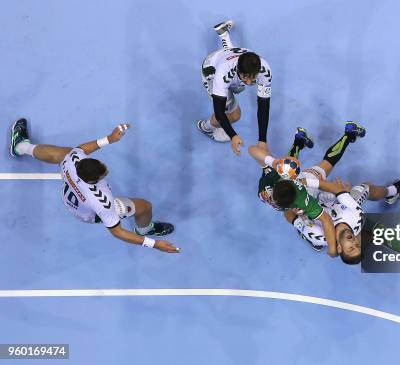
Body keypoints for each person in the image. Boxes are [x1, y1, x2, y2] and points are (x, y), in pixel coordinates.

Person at [250, 122, 400, 265]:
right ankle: (392, 191)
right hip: (329, 202)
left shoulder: (316, 233)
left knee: (297, 176)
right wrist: (340, 191)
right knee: (363, 186)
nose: (354, 243)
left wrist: (297, 207)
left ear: (340, 248)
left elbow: (290, 217)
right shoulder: (356, 217)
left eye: (350, 248)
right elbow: (333, 193)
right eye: (357, 245)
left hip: (310, 207)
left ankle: (300, 142)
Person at [9, 118, 179, 253]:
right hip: (88, 213)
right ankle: (145, 229)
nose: (106, 171)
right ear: (93, 181)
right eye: (103, 174)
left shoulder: (73, 161)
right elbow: (118, 232)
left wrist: (110, 139)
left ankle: (21, 146)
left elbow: (80, 149)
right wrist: (154, 244)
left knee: (64, 152)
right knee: (144, 206)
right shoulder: (103, 202)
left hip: (71, 192)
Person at [196, 20, 273, 156]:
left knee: (239, 88)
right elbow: (219, 111)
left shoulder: (264, 70)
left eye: (253, 77)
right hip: (212, 70)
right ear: (238, 70)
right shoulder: (223, 75)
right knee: (235, 115)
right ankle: (205, 127)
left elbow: (263, 106)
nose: (249, 82)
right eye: (246, 77)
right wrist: (233, 135)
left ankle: (224, 35)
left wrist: (262, 140)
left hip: (229, 56)